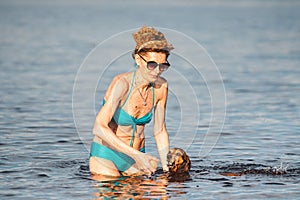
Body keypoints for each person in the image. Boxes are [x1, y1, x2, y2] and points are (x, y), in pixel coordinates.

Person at [89, 26, 174, 177]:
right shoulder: (122, 84)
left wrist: (168, 171)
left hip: (136, 158)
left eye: (163, 65)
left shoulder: (161, 87)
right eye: (152, 64)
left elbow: (160, 131)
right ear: (138, 60)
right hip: (106, 156)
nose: (157, 71)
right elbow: (99, 127)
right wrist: (138, 156)